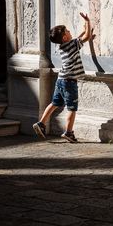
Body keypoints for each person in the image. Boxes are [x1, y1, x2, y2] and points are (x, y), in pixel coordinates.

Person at [32, 12, 92, 143]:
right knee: (72, 108)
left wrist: (82, 32)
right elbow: (86, 37)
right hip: (70, 82)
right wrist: (87, 22)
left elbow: (77, 40)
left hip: (60, 80)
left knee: (54, 103)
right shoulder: (71, 45)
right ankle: (69, 132)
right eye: (68, 31)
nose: (70, 32)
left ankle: (41, 123)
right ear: (65, 37)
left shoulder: (63, 46)